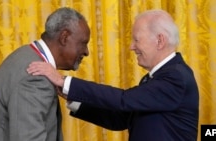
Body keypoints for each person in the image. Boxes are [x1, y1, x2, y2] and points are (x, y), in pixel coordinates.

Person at [27, 9, 199, 141]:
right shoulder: (155, 78)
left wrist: (65, 81)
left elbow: (123, 100)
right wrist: (73, 99)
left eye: (136, 39)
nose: (132, 47)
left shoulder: (176, 77)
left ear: (160, 41)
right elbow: (120, 119)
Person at [0, 7, 90, 141]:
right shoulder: (35, 77)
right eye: (83, 43)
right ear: (64, 37)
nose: (86, 52)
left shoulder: (25, 56)